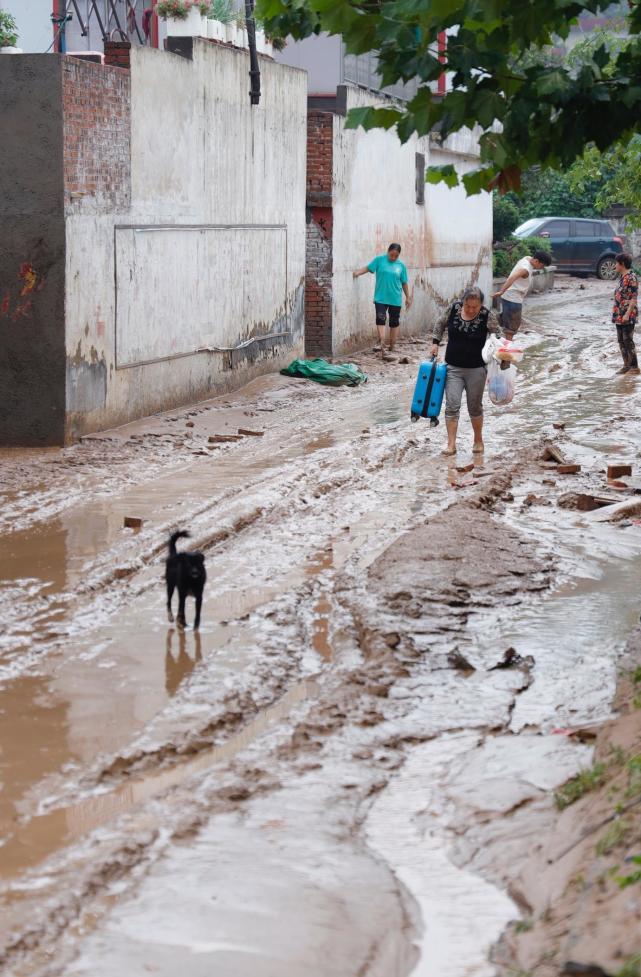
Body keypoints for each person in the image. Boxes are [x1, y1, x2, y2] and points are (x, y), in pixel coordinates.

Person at [430, 286, 501, 456]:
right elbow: (440, 323)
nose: (470, 309)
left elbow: (497, 335)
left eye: (474, 307)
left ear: (480, 305)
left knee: (474, 407)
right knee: (452, 406)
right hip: (453, 368)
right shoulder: (454, 308)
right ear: (463, 302)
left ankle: (478, 440)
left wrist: (502, 352)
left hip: (476, 369)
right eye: (467, 306)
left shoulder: (486, 315)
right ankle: (451, 444)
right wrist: (435, 343)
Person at [353, 243, 412, 360]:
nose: (393, 258)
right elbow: (368, 268)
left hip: (395, 298)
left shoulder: (401, 266)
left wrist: (408, 297)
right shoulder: (379, 260)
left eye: (396, 256)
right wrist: (357, 273)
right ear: (388, 251)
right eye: (392, 255)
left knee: (394, 322)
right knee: (380, 319)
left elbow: (404, 282)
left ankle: (392, 346)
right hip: (380, 297)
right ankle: (382, 345)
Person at [492, 250, 551, 339]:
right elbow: (512, 277)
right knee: (512, 327)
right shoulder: (525, 269)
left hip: (510, 297)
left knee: (508, 322)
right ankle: (507, 348)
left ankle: (500, 324)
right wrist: (501, 291)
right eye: (541, 265)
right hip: (513, 298)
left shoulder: (527, 258)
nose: (541, 268)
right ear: (536, 261)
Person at [612, 252, 639, 376]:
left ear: (622, 264)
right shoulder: (622, 277)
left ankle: (634, 367)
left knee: (627, 340)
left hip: (628, 313)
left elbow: (634, 298)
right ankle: (626, 365)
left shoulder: (632, 277)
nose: (615, 265)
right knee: (621, 340)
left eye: (616, 263)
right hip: (619, 313)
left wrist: (627, 314)